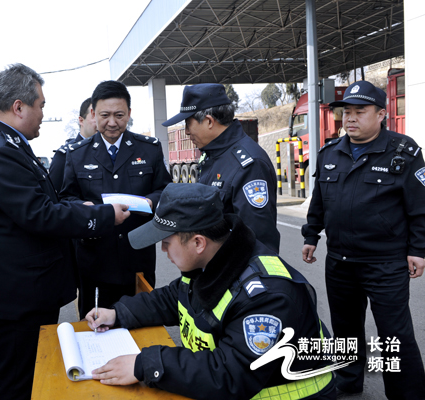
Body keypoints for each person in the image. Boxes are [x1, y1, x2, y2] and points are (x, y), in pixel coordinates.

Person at [0, 63, 130, 400]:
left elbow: (33, 203)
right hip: (18, 296)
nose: (42, 113)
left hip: (17, 289)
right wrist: (103, 216)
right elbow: (39, 215)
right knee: (20, 382)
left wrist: (74, 209)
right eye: (41, 105)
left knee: (25, 373)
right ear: (19, 106)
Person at [86, 183, 335, 399]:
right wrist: (118, 313)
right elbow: (174, 298)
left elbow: (231, 374)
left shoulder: (267, 295)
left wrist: (145, 364)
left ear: (197, 243)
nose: (163, 250)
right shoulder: (213, 260)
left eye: (166, 242)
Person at [301, 80, 425, 399]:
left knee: (394, 333)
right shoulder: (331, 153)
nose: (351, 118)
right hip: (340, 261)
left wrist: (419, 250)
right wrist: (311, 235)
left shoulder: (404, 152)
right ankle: (348, 378)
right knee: (345, 327)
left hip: (385, 262)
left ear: (382, 114)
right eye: (347, 112)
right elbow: (320, 200)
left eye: (360, 111)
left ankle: (407, 392)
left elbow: (420, 208)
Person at [61, 80, 171, 316]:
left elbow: (165, 190)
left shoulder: (148, 149)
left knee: (142, 327)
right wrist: (83, 207)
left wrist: (151, 201)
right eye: (105, 115)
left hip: (137, 257)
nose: (112, 122)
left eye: (119, 115)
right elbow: (66, 198)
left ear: (129, 113)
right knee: (95, 328)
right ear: (93, 113)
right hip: (95, 259)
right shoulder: (77, 154)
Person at [162, 83, 280, 252]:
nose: (186, 132)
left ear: (209, 121)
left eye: (188, 124)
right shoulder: (215, 155)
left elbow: (258, 239)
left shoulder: (248, 165)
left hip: (232, 273)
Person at [48, 97, 97, 190]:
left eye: (103, 116)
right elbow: (55, 196)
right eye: (95, 117)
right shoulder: (65, 155)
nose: (101, 122)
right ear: (81, 120)